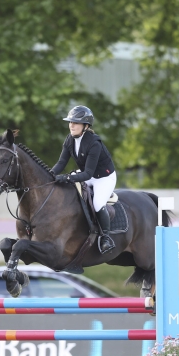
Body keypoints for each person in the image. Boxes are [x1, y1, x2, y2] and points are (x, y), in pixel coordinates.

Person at [50, 105, 117, 254]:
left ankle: (106, 237)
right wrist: (49, 175)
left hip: (103, 177)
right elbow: (61, 163)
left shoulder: (94, 143)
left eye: (75, 123)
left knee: (98, 204)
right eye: (70, 122)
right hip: (87, 173)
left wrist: (67, 177)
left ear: (86, 126)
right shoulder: (69, 140)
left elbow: (87, 174)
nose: (71, 125)